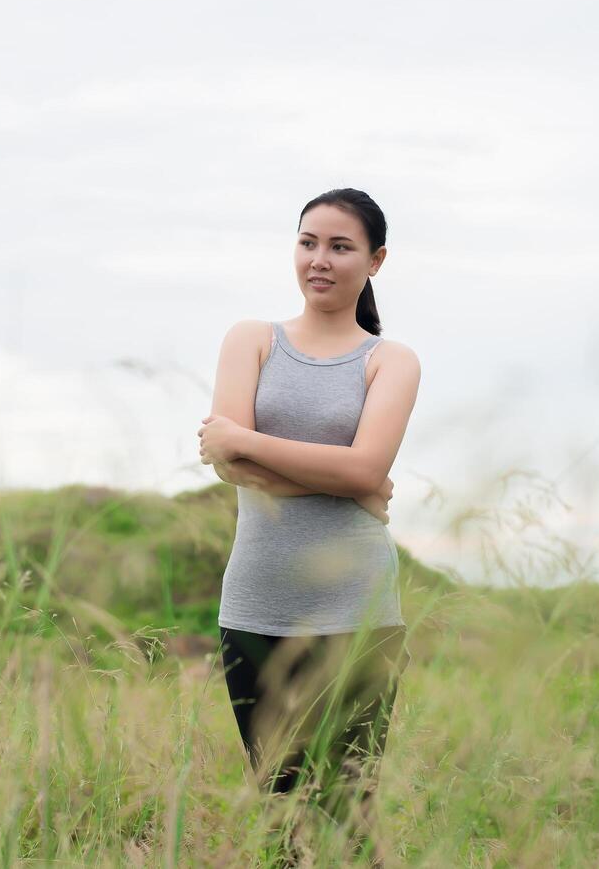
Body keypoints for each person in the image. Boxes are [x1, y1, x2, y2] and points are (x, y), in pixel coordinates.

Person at [196, 188, 422, 864]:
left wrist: (249, 443)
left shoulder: (390, 360)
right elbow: (224, 462)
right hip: (256, 604)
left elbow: (361, 469)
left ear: (375, 261)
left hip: (355, 610)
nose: (319, 260)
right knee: (277, 807)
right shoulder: (251, 339)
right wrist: (347, 478)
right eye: (307, 242)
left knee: (349, 813)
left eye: (340, 246)